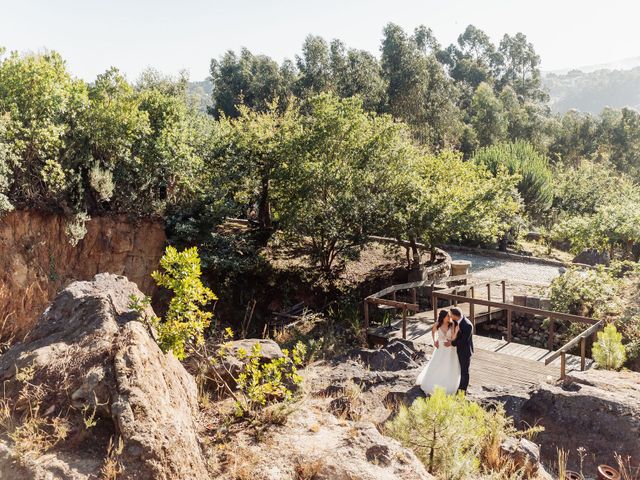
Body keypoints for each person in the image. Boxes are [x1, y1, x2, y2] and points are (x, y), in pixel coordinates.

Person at [415, 310, 461, 395]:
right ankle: (434, 383)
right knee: (437, 365)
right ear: (443, 317)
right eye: (448, 316)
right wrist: (434, 341)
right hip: (440, 348)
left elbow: (454, 338)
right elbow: (432, 332)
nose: (450, 317)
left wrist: (456, 331)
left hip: (450, 349)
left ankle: (448, 386)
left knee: (449, 366)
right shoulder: (437, 324)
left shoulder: (453, 324)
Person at [446, 306, 474, 393]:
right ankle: (457, 385)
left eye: (451, 314)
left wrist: (452, 343)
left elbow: (464, 341)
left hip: (465, 351)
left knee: (464, 371)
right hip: (457, 350)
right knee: (457, 369)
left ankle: (462, 390)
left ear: (455, 315)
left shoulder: (467, 325)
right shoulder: (456, 321)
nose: (450, 316)